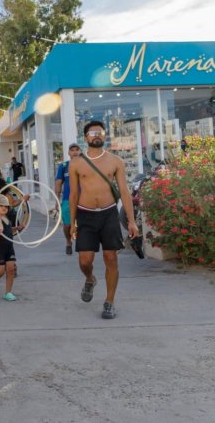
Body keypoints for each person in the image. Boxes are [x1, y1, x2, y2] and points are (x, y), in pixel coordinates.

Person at [69, 121, 139, 320]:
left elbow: (124, 192)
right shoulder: (76, 163)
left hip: (108, 214)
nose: (96, 135)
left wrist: (132, 221)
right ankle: (90, 279)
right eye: (92, 133)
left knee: (111, 258)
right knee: (85, 261)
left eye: (100, 132)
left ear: (104, 136)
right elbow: (74, 195)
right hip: (85, 215)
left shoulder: (115, 161)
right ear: (85, 138)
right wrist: (73, 223)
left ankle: (109, 302)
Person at [54, 143, 81, 255]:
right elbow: (59, 183)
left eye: (77, 150)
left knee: (82, 224)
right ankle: (68, 241)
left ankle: (81, 243)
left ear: (80, 151)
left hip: (84, 200)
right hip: (67, 200)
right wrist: (56, 200)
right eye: (72, 150)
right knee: (67, 225)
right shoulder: (64, 166)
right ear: (69, 153)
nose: (75, 152)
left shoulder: (85, 165)